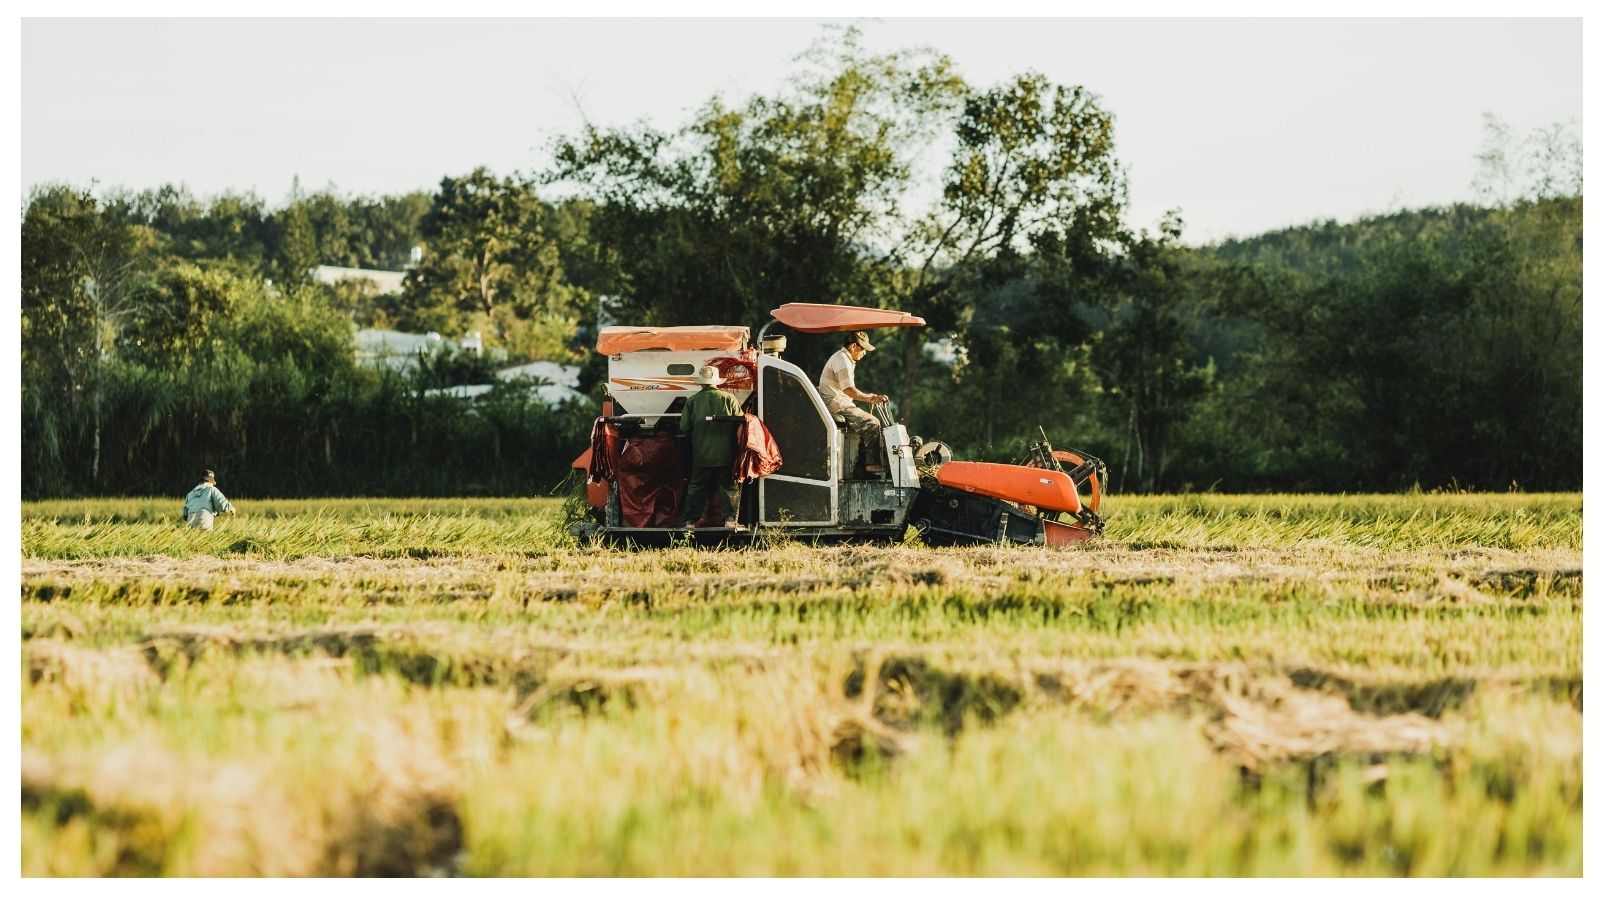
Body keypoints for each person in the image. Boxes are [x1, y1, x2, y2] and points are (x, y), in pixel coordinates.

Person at [673, 365, 743, 529]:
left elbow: (684, 427)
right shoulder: (729, 399)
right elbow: (741, 426)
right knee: (728, 486)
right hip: (726, 454)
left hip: (702, 454)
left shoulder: (692, 401)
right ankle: (730, 521)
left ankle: (690, 522)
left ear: (701, 383)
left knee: (696, 486)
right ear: (716, 382)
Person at [818, 330, 888, 474]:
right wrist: (870, 398)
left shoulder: (843, 358)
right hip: (836, 404)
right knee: (872, 423)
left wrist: (869, 397)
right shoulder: (842, 360)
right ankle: (871, 465)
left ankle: (860, 467)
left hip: (839, 402)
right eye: (863, 349)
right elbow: (849, 390)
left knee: (866, 422)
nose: (864, 353)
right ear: (854, 346)